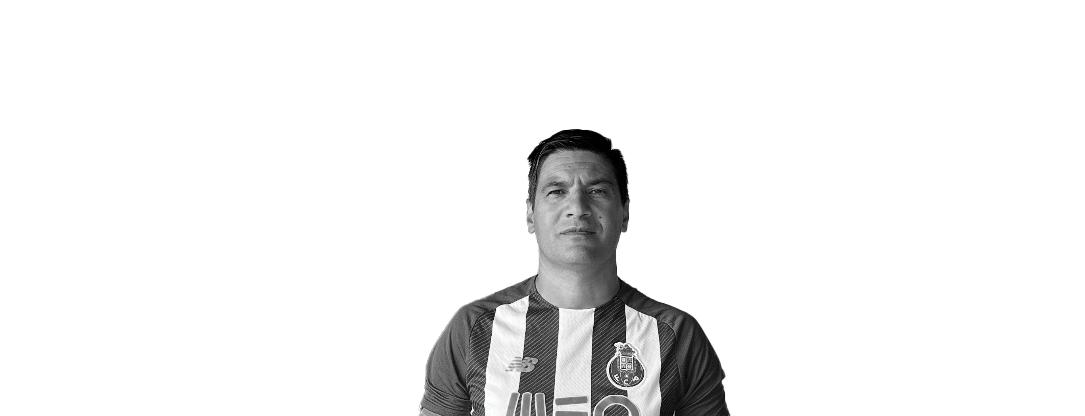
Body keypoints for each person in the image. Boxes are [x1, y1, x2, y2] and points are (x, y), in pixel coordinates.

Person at [420, 130, 729, 416]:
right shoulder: (475, 328)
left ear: (624, 212)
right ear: (530, 214)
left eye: (597, 191)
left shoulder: (675, 335)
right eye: (557, 191)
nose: (578, 207)